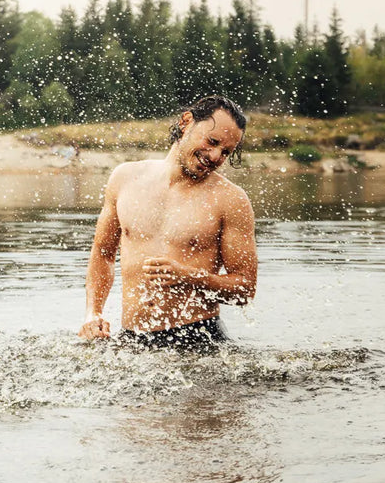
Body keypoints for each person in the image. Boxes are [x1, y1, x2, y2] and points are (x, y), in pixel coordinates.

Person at [80, 95, 257, 352]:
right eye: (212, 141)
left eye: (226, 151)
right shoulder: (125, 178)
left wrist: (188, 277)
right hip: (132, 339)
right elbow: (103, 254)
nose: (217, 156)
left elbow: (244, 289)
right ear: (186, 122)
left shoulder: (230, 200)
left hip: (198, 341)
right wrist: (93, 313)